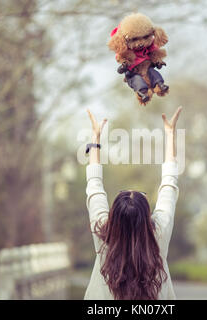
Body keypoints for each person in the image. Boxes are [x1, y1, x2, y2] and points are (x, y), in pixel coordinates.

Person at [84, 106, 182, 300]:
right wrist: (170, 135)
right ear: (147, 218)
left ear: (114, 217)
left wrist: (95, 140)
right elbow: (169, 184)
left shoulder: (104, 237)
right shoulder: (158, 235)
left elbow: (94, 187)